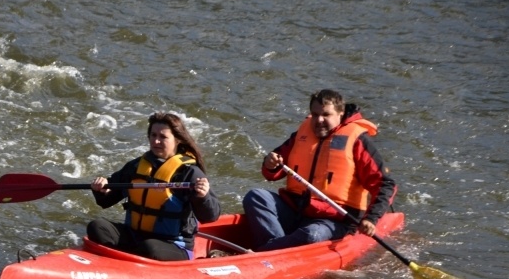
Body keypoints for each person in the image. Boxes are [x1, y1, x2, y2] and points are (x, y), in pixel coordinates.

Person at [243, 89, 397, 251]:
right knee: (256, 196)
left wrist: (371, 219)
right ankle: (276, 247)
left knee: (312, 235)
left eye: (326, 115)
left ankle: (264, 252)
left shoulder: (358, 141)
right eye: (315, 115)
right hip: (295, 210)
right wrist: (270, 164)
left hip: (334, 220)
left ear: (340, 113)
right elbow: (274, 172)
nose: (319, 120)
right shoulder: (302, 134)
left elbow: (385, 184)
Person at [87, 112, 221, 261]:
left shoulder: (190, 173)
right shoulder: (136, 166)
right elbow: (106, 201)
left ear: (177, 140)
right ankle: (120, 261)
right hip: (135, 237)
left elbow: (210, 216)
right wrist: (102, 189)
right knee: (97, 226)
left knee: (149, 248)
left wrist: (203, 196)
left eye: (163, 137)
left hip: (173, 245)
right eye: (153, 135)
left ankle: (128, 259)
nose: (156, 141)